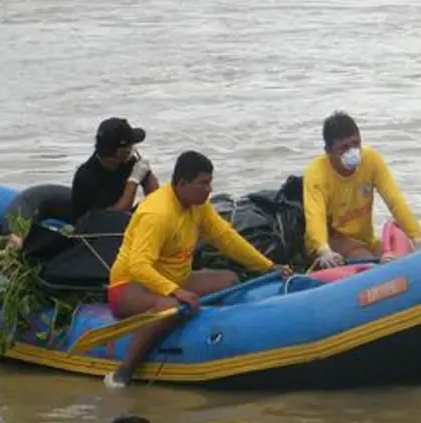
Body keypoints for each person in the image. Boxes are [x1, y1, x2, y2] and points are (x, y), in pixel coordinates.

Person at [104, 150, 291, 388]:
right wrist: (176, 292)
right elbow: (138, 265)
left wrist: (268, 266)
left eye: (210, 182)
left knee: (229, 280)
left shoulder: (198, 205)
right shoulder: (157, 213)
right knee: (171, 308)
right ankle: (123, 372)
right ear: (182, 183)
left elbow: (226, 238)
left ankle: (215, 337)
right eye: (203, 183)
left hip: (174, 280)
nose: (210, 189)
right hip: (130, 285)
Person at [302, 111, 421, 269]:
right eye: (343, 147)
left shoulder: (371, 160)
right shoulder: (316, 174)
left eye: (355, 144)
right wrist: (323, 250)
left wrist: (417, 238)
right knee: (368, 259)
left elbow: (395, 200)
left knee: (393, 257)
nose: (352, 152)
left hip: (364, 239)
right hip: (332, 239)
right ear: (328, 150)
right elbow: (315, 217)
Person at [70, 117, 160, 221]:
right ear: (119, 152)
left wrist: (147, 173)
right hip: (95, 228)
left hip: (121, 218)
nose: (132, 148)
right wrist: (133, 181)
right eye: (130, 145)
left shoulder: (127, 162)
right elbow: (114, 216)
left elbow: (155, 196)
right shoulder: (85, 178)